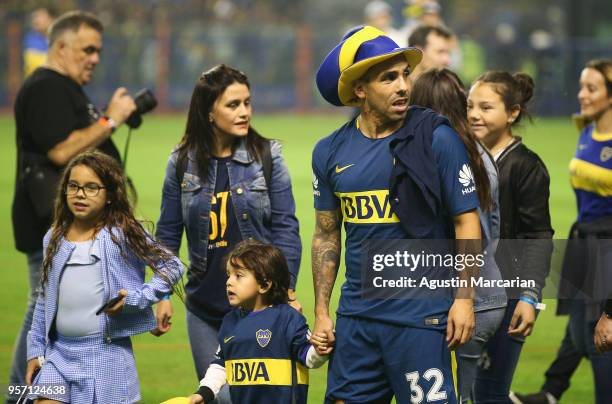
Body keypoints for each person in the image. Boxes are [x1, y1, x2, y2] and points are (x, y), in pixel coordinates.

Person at [313, 26, 481, 403]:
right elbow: (326, 233)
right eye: (389, 78)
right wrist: (322, 311)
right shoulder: (329, 151)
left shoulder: (437, 138)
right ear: (360, 89)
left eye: (405, 74)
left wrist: (464, 298)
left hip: (421, 320)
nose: (404, 86)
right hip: (356, 320)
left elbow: (466, 221)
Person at [8, 11, 137, 403]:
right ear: (61, 47)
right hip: (53, 224)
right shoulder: (45, 87)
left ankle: (26, 394)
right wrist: (110, 121)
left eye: (98, 50)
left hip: (75, 225)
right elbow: (61, 149)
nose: (95, 58)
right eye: (88, 49)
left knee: (49, 313)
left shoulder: (65, 87)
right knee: (41, 314)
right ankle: (19, 395)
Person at [156, 64, 302, 402]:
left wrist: (288, 287)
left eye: (247, 103)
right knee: (215, 396)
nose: (244, 112)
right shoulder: (180, 163)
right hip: (204, 309)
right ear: (209, 112)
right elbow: (167, 231)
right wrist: (162, 293)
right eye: (233, 105)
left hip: (261, 309)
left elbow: (286, 229)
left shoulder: (267, 156)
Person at [24, 151, 184, 403]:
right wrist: (34, 350)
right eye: (73, 186)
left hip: (106, 355)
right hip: (58, 355)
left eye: (91, 188)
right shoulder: (53, 237)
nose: (80, 194)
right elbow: (44, 299)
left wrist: (137, 298)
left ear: (109, 195)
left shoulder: (122, 233)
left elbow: (172, 265)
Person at [515, 59, 612, 404]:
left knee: (601, 339)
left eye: (592, 88)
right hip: (583, 245)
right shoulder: (586, 131)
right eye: (582, 86)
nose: (582, 95)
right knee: (578, 328)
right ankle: (551, 392)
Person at [410, 68, 508, 403]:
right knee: (468, 395)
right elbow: (492, 228)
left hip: (461, 300)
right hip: (489, 295)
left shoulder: (438, 155)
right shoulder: (481, 154)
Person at [466, 71, 554, 402]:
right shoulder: (463, 156)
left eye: (486, 107)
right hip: (466, 292)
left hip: (507, 297)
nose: (474, 114)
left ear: (512, 113)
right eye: (470, 105)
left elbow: (538, 235)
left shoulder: (525, 166)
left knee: (489, 393)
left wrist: (530, 296)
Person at [171, 240, 327, 404]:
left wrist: (320, 347)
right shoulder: (230, 322)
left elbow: (309, 357)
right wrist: (204, 393)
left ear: (264, 284)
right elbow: (221, 365)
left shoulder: (288, 319)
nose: (229, 281)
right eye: (229, 275)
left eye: (238, 276)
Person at [23, 7, 54, 77]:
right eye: (35, 16)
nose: (36, 20)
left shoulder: (61, 39)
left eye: (40, 16)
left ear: (51, 19)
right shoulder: (30, 39)